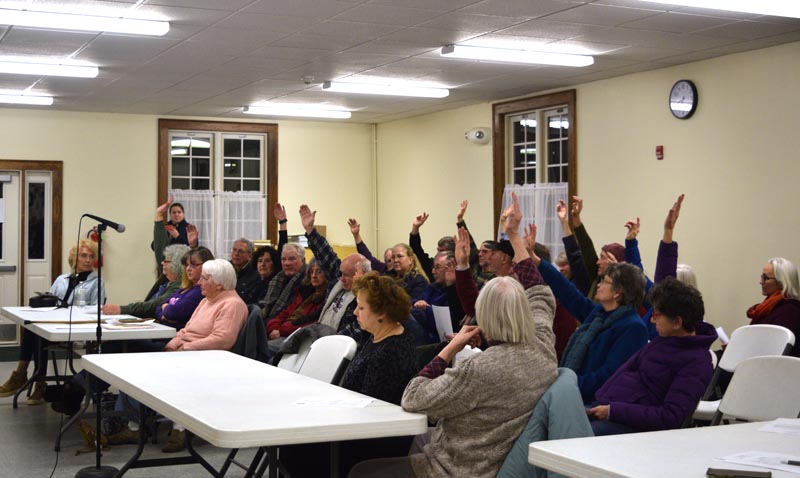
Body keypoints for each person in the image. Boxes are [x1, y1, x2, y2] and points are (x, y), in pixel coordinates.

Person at [349, 275, 557, 478]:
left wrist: (450, 349)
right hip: (493, 456)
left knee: (360, 471)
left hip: (455, 468)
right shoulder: (542, 346)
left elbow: (413, 397)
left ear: (483, 316)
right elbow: (541, 297)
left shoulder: (478, 369)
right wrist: (517, 242)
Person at [281, 272, 419, 477]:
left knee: (295, 448)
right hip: (357, 425)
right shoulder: (378, 336)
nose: (355, 312)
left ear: (381, 312)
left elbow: (370, 410)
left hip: (373, 439)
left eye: (361, 307)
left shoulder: (390, 353)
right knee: (293, 440)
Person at [529, 224, 648, 404]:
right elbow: (568, 292)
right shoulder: (599, 314)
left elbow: (609, 375)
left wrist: (564, 384)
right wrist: (536, 260)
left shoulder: (633, 327)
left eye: (605, 282)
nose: (598, 285)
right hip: (571, 391)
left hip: (593, 403)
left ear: (618, 292)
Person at [587, 278, 717, 435]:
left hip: (634, 428)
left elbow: (669, 417)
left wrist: (612, 411)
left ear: (677, 322)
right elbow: (621, 375)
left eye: (657, 314)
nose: (652, 319)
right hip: (606, 410)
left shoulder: (697, 363)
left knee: (568, 435)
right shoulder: (664, 340)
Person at [0, 239, 104, 404]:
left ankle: (36, 381)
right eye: (84, 256)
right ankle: (25, 375)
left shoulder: (96, 282)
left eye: (91, 256)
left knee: (38, 332)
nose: (88, 260)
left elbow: (98, 308)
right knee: (32, 326)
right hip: (53, 323)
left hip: (75, 328)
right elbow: (49, 299)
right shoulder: (62, 279)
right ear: (75, 258)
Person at [301, 204, 372, 344]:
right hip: (318, 336)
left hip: (337, 346)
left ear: (361, 273)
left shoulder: (367, 298)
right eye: (341, 273)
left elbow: (354, 333)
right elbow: (326, 254)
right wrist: (310, 230)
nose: (341, 278)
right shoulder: (339, 280)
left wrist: (327, 343)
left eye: (347, 275)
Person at [101, 244, 189, 318]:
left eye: (166, 261)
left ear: (176, 264)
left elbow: (155, 305)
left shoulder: (179, 286)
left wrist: (121, 309)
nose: (162, 263)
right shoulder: (166, 281)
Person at [265, 259, 328, 354]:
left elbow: (309, 325)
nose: (314, 276)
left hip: (296, 339)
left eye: (319, 272)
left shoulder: (324, 301)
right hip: (281, 332)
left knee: (262, 348)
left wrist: (280, 331)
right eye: (311, 272)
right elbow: (284, 313)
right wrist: (274, 328)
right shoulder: (304, 294)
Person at [747, 257, 800, 357]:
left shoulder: (790, 311)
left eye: (765, 278)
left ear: (782, 282)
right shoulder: (769, 306)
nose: (761, 282)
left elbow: (772, 350)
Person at [261, 243, 308, 319]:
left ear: (303, 260)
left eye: (292, 259)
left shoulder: (307, 282)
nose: (287, 263)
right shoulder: (278, 279)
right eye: (283, 259)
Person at [152, 195, 198, 268]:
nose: (176, 214)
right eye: (174, 212)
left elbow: (193, 248)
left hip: (183, 263)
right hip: (166, 262)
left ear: (183, 214)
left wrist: (177, 237)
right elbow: (154, 246)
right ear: (170, 214)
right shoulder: (165, 227)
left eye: (179, 212)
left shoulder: (189, 228)